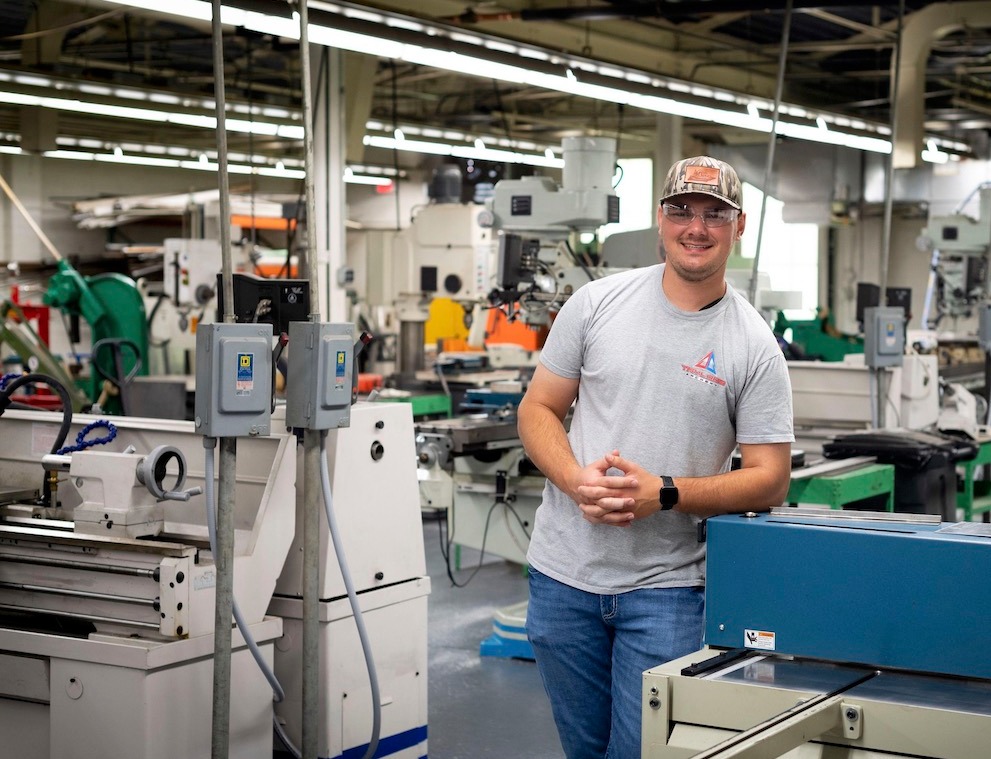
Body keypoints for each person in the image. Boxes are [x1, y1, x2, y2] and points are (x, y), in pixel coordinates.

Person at [517, 155, 794, 758]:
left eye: (714, 214)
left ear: (739, 226)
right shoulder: (595, 303)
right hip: (562, 579)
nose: (696, 227)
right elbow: (538, 408)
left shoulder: (754, 345)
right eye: (681, 210)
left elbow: (771, 478)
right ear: (660, 217)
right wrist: (575, 480)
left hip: (667, 591)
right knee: (583, 751)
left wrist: (664, 493)